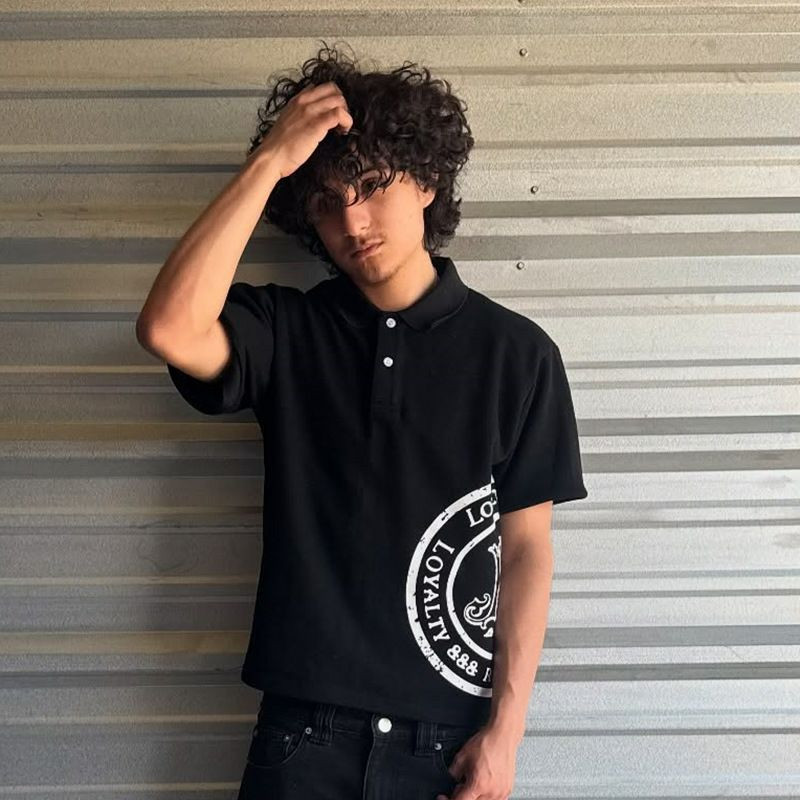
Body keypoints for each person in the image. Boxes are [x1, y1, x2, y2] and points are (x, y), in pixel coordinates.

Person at [136, 40, 588, 800]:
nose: (352, 218)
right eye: (326, 201)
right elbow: (169, 329)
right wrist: (270, 163)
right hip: (299, 739)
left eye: (373, 184)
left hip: (445, 746)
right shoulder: (284, 330)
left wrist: (505, 735)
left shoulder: (518, 354)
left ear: (427, 181)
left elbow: (526, 552)